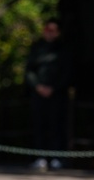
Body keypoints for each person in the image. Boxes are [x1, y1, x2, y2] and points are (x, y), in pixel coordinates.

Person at [25, 18, 71, 170]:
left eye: (52, 31)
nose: (49, 33)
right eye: (47, 30)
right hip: (38, 93)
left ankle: (57, 157)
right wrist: (37, 86)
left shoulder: (63, 49)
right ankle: (40, 156)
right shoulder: (37, 48)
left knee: (56, 125)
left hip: (56, 94)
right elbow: (29, 70)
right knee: (39, 125)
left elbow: (66, 73)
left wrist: (54, 88)